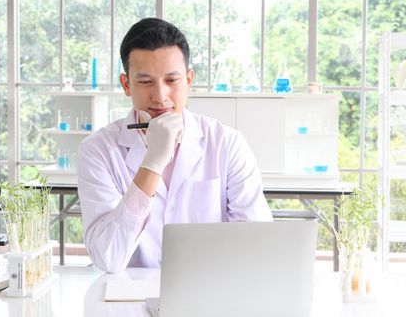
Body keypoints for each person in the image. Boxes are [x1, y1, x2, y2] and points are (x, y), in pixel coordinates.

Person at [77, 17, 272, 273]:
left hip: (207, 297)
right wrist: (153, 162)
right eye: (145, 82)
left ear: (189, 80)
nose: (160, 96)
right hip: (127, 302)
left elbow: (259, 245)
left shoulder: (227, 143)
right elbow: (107, 258)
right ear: (126, 85)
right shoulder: (97, 150)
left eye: (172, 80)